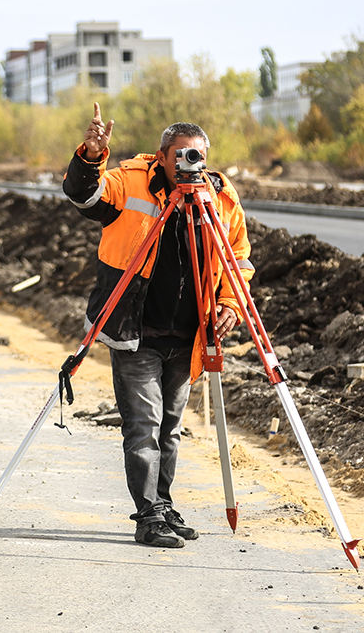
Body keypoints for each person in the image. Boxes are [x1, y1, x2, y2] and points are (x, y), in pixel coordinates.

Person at [63, 104, 254, 548]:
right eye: (183, 156)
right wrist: (91, 157)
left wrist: (229, 302)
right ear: (162, 156)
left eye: (199, 157)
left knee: (170, 428)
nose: (192, 165)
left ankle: (162, 505)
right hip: (136, 331)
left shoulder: (219, 196)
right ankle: (147, 516)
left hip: (189, 336)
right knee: (144, 426)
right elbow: (84, 196)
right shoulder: (130, 180)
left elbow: (238, 256)